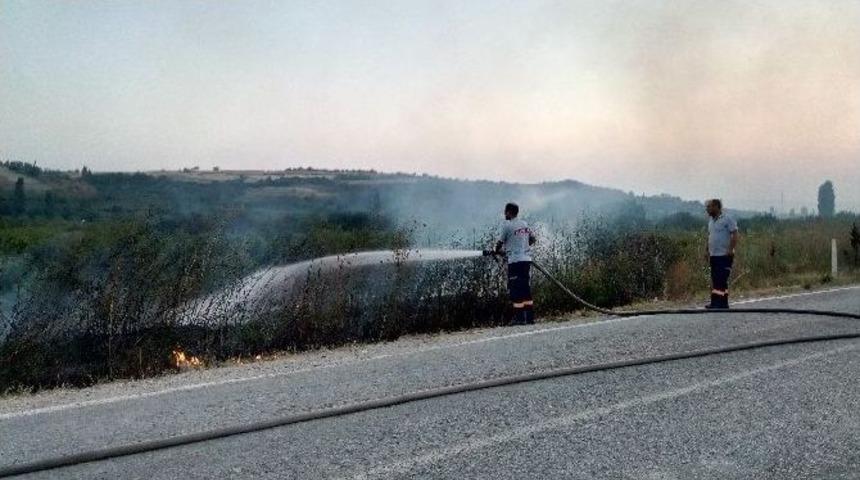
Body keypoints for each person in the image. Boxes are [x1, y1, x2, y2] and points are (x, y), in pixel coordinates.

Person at [493, 202, 537, 324]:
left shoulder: (507, 226)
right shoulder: (524, 224)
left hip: (515, 262)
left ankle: (519, 319)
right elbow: (533, 239)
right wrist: (524, 247)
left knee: (515, 289)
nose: (504, 214)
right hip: (526, 261)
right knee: (525, 288)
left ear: (508, 212)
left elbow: (499, 244)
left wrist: (496, 251)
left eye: (505, 211)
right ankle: (529, 318)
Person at [705, 199, 739, 309]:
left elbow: (735, 233)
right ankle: (718, 303)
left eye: (709, 207)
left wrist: (731, 249)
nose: (707, 209)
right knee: (715, 279)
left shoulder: (727, 218)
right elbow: (710, 237)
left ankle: (720, 303)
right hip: (714, 255)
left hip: (724, 255)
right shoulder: (711, 221)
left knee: (721, 278)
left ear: (716, 207)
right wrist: (707, 251)